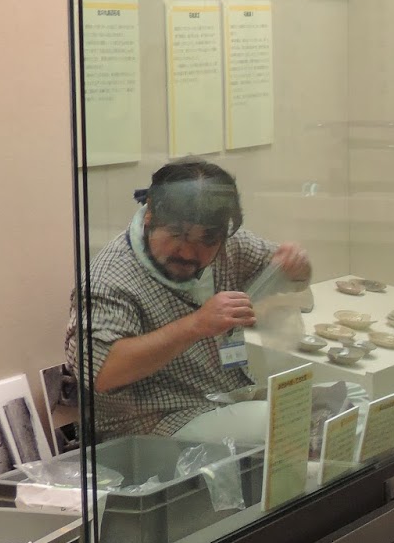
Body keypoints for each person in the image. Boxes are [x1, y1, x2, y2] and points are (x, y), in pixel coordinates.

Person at [66, 159, 311, 444]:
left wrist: (297, 265)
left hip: (225, 400)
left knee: (340, 399)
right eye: (177, 234)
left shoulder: (229, 245)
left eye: (207, 240)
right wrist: (196, 325)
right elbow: (102, 372)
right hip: (154, 426)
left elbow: (292, 276)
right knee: (287, 421)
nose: (188, 252)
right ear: (150, 215)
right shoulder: (110, 279)